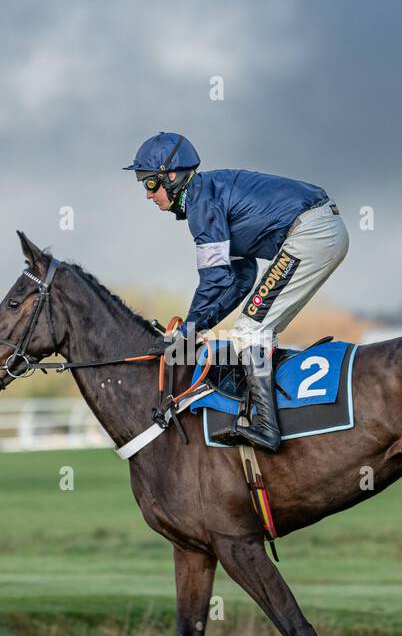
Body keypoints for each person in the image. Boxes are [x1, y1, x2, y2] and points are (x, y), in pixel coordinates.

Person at [124, 131, 349, 452]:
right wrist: (200, 326)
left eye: (150, 183)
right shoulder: (207, 196)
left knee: (249, 331)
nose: (148, 194)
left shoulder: (202, 202)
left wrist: (188, 333)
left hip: (312, 232)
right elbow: (240, 277)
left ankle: (267, 428)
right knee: (251, 328)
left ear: (171, 176)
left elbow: (214, 276)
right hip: (318, 229)